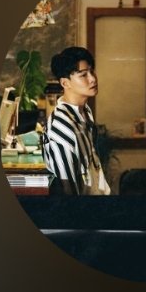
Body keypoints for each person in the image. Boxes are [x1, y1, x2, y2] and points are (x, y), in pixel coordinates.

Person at [43, 46, 110, 195]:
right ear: (65, 83)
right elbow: (67, 189)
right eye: (83, 75)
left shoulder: (85, 112)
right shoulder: (61, 126)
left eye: (92, 71)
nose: (93, 79)